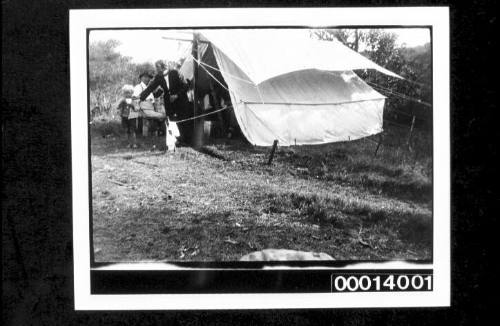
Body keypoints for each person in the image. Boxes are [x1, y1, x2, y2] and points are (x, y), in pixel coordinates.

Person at [140, 60, 191, 143]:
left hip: (181, 100)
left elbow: (186, 86)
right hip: (169, 102)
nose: (156, 69)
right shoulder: (158, 77)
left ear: (163, 67)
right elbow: (150, 88)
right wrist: (140, 97)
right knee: (172, 121)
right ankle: (176, 140)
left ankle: (187, 141)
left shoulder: (175, 72)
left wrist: (177, 95)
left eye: (157, 67)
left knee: (183, 119)